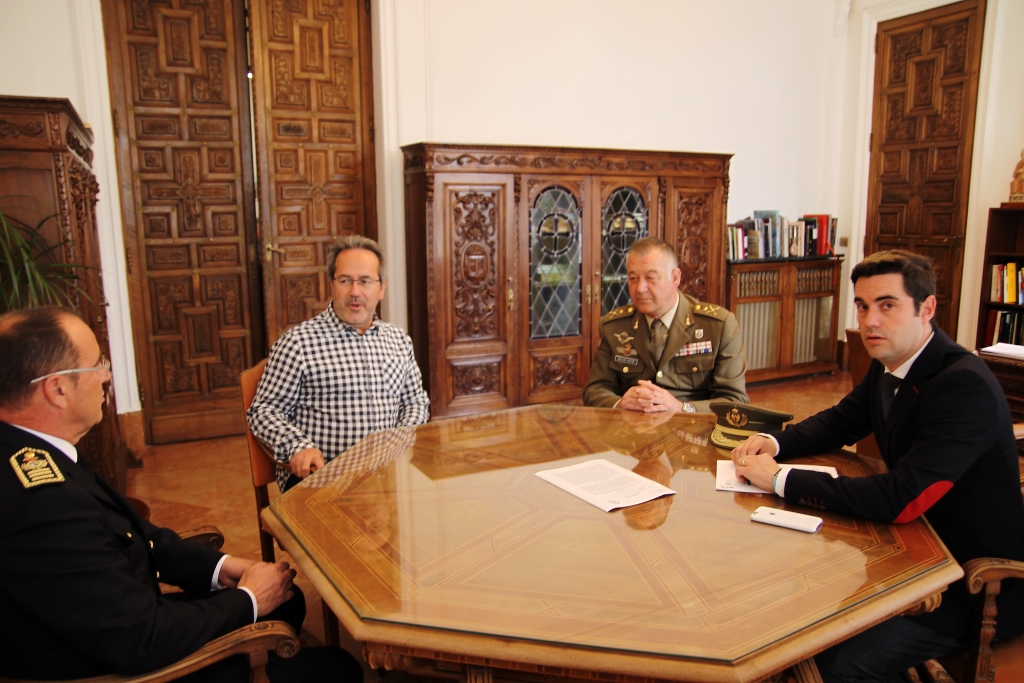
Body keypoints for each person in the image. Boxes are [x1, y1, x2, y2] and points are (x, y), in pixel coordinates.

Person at [0, 306, 363, 682]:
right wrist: (248, 600)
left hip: (118, 622)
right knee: (336, 668)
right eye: (97, 365)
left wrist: (221, 569)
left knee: (287, 601)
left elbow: (135, 537)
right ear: (58, 389)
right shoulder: (40, 501)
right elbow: (143, 637)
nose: (106, 376)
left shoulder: (35, 452)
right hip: (125, 665)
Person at [731, 250, 1024, 683]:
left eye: (887, 305)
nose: (870, 321)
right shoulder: (893, 363)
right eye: (863, 306)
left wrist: (778, 478)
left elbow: (900, 498)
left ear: (926, 308)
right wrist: (774, 442)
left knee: (824, 664)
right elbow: (839, 421)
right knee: (785, 622)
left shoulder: (963, 385)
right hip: (909, 552)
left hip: (967, 584)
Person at [248, 235, 430, 492]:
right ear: (331, 286)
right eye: (345, 281)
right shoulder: (299, 343)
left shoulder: (399, 340)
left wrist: (398, 440)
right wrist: (297, 447)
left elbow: (415, 401)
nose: (355, 292)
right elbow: (263, 410)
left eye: (365, 281)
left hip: (385, 478)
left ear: (381, 288)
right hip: (322, 480)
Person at [584, 236, 748, 413]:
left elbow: (735, 401)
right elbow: (595, 390)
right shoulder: (614, 327)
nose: (640, 288)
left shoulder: (718, 326)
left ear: (675, 278)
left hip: (693, 424)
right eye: (633, 278)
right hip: (634, 423)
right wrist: (620, 403)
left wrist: (682, 408)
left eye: (650, 278)